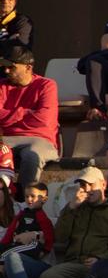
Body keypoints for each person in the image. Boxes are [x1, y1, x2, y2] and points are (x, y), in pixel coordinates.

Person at [0, 48, 55, 193]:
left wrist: (8, 119)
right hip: (7, 139)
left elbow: (44, 120)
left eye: (11, 67)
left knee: (32, 155)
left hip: (40, 139)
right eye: (4, 67)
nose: (6, 71)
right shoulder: (2, 86)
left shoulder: (46, 85)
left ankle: (24, 202)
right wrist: (23, 113)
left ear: (28, 67)